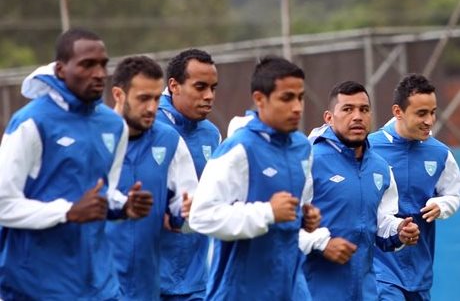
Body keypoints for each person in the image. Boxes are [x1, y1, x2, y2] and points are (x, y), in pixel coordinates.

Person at [0, 28, 153, 300]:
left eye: (103, 64)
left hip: (99, 284)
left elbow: (106, 192)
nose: (99, 73)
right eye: (87, 64)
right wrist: (67, 212)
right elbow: (3, 204)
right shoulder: (31, 122)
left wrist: (124, 206)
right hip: (36, 286)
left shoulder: (113, 125)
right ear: (61, 69)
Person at [189, 56, 319, 300]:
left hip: (289, 287)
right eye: (287, 98)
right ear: (260, 99)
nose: (297, 107)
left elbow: (287, 210)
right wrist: (268, 212)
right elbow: (201, 217)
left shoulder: (302, 147)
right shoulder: (239, 148)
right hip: (240, 291)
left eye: (300, 97)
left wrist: (303, 216)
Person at [300, 81, 420, 300]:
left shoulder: (381, 168)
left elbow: (382, 224)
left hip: (365, 292)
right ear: (328, 117)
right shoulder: (309, 160)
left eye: (364, 110)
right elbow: (285, 225)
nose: (357, 116)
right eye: (347, 109)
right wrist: (322, 243)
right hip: (313, 292)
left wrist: (399, 230)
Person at [105, 55, 198, 300]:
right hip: (95, 285)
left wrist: (187, 213)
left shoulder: (169, 140)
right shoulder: (93, 136)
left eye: (156, 98)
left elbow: (186, 207)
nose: (151, 107)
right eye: (143, 98)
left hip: (146, 286)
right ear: (118, 94)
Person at [368, 74, 460, 300]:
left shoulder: (440, 154)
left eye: (432, 112)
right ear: (398, 111)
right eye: (421, 113)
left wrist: (442, 204)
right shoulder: (369, 148)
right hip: (381, 270)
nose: (430, 120)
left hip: (420, 272)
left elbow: (454, 194)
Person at [157, 48, 220, 300]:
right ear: (174, 85)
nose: (209, 96)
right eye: (200, 87)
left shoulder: (212, 134)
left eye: (213, 88)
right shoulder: (148, 127)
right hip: (149, 277)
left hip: (197, 278)